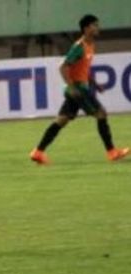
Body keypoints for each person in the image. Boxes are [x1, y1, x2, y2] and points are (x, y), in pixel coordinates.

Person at [30, 14, 128, 165]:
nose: (98, 28)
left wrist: (94, 83)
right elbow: (63, 67)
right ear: (86, 28)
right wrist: (71, 86)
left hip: (78, 88)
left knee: (61, 120)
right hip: (78, 89)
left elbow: (82, 68)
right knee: (101, 113)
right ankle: (112, 152)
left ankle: (38, 152)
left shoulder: (89, 46)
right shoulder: (79, 46)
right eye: (95, 25)